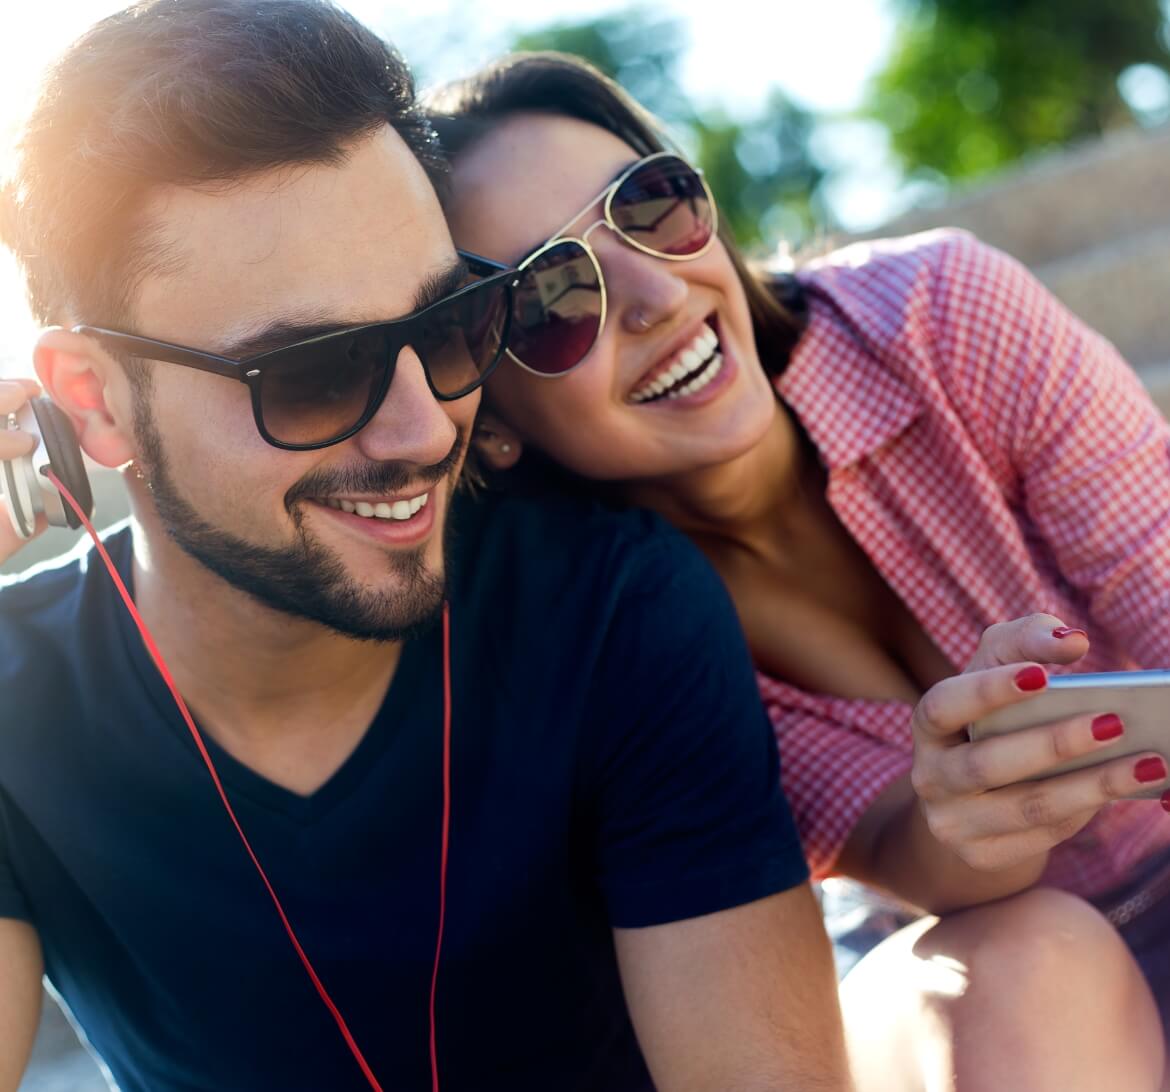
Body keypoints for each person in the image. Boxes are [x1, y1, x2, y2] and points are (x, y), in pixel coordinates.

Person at [0, 5, 852, 1090]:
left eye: (446, 329)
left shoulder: (607, 610)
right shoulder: (15, 713)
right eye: (312, 374)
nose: (422, 430)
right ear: (96, 402)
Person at [430, 52, 1170, 1091]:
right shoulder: (609, 635)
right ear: (492, 419)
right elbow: (893, 849)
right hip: (967, 991)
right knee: (1029, 953)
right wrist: (965, 812)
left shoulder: (937, 315)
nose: (652, 292)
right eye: (554, 298)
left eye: (650, 205)